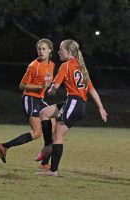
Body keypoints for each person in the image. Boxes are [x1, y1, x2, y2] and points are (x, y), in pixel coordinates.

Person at [36, 39, 108, 177]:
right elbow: (92, 90)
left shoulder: (66, 66)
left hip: (74, 103)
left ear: (69, 52)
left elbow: (55, 88)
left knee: (58, 137)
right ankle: (48, 146)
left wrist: (50, 89)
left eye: (61, 50)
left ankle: (53, 169)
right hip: (77, 104)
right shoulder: (81, 67)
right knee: (44, 112)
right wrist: (101, 108)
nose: (58, 52)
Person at [0, 38, 55, 169]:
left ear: (50, 50)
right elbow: (22, 85)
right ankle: (4, 146)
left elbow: (47, 82)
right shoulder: (34, 66)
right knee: (37, 133)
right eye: (39, 49)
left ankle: (44, 162)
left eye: (44, 48)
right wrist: (39, 87)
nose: (41, 51)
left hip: (40, 100)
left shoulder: (51, 65)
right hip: (30, 99)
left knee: (54, 126)